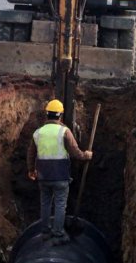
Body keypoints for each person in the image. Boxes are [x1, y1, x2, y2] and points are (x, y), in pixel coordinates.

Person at [27, 100, 93, 243]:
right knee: (60, 204)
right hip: (60, 176)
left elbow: (31, 154)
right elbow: (75, 152)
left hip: (43, 176)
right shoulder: (64, 131)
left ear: (47, 114)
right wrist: (86, 155)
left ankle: (45, 232)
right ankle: (58, 234)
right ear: (60, 116)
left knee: (45, 204)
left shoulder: (38, 133)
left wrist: (31, 170)